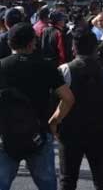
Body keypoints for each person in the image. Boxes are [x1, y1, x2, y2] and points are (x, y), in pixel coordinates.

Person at [0, 23, 75, 190]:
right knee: (47, 185)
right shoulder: (46, 66)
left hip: (6, 134)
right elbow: (68, 98)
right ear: (31, 43)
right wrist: (55, 121)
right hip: (39, 132)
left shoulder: (2, 66)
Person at [57, 27, 103, 190]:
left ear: (74, 47)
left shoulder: (64, 70)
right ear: (95, 49)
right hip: (97, 131)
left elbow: (53, 102)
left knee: (67, 180)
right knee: (101, 180)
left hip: (69, 132)